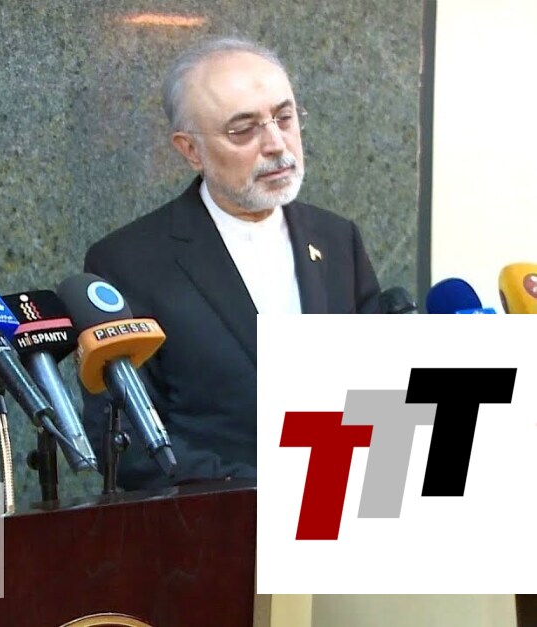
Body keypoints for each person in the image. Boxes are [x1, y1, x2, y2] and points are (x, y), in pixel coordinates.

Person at [80, 37, 381, 491]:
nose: (276, 144)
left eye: (284, 118)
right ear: (190, 150)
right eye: (243, 130)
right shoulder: (127, 261)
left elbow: (379, 390)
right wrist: (261, 491)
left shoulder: (337, 239)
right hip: (218, 523)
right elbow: (124, 441)